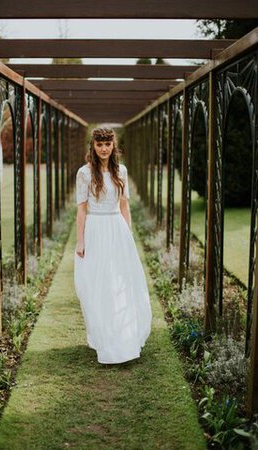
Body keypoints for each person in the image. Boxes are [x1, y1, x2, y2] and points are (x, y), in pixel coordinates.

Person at [74, 127, 152, 364]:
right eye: (99, 144)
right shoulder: (84, 173)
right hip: (96, 229)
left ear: (113, 146)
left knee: (121, 280)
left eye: (107, 144)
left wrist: (128, 233)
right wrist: (80, 239)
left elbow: (125, 205)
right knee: (98, 283)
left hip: (117, 227)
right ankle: (102, 334)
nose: (104, 149)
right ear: (93, 146)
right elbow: (81, 209)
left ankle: (122, 333)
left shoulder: (122, 171)